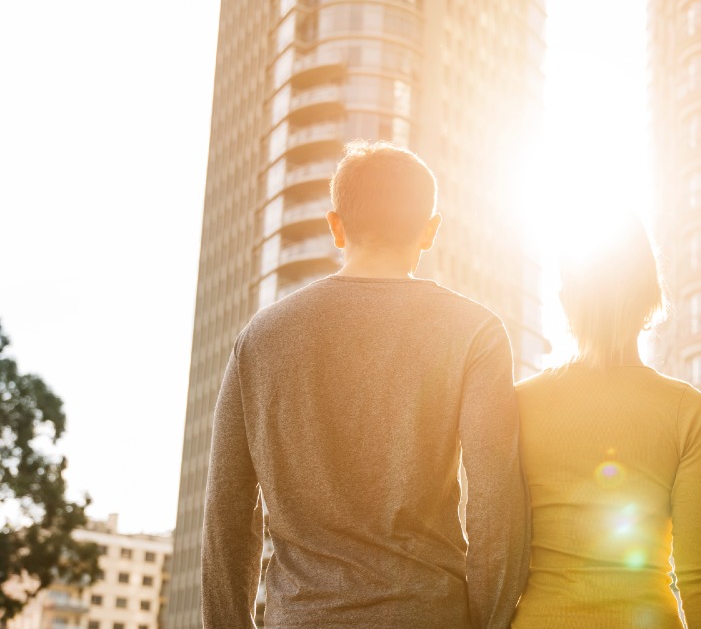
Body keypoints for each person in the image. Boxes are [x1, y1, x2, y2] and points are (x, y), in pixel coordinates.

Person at [202, 141, 529, 628]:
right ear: (430, 231)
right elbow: (496, 503)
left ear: (335, 226)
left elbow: (226, 511)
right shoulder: (474, 331)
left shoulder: (260, 338)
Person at [511, 213, 701, 628]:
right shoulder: (688, 411)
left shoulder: (517, 404)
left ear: (565, 300)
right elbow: (699, 577)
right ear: (651, 297)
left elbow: (497, 549)